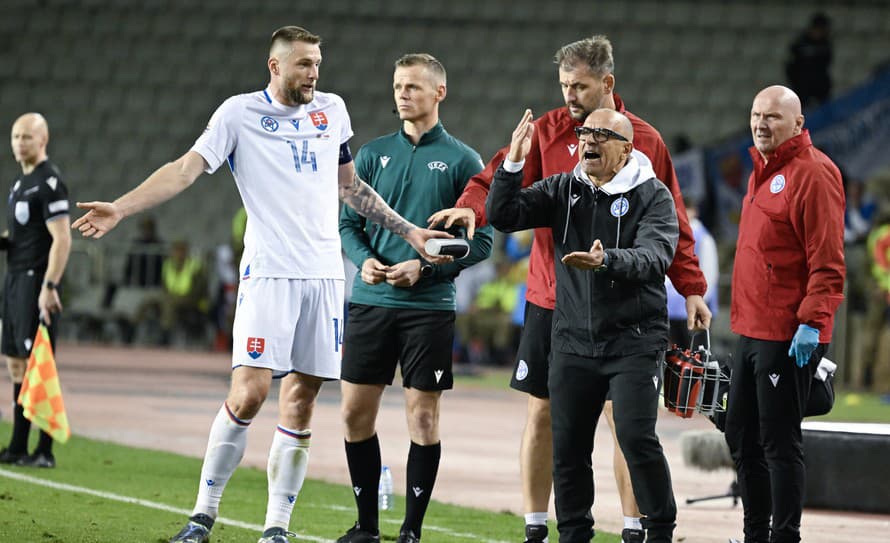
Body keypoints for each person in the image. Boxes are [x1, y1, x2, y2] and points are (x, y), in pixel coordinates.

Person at [71, 26, 450, 543]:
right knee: (249, 393)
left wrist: (409, 231)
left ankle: (276, 527)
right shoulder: (237, 114)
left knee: (301, 401)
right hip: (269, 273)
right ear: (275, 67)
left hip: (322, 276)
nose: (314, 73)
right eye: (303, 65)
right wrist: (122, 205)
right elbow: (185, 169)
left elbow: (349, 188)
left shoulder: (333, 110)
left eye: (317, 63)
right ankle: (203, 514)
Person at [429, 35, 709, 543]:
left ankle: (635, 526)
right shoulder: (547, 132)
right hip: (553, 300)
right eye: (563, 86)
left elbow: (674, 228)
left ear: (608, 83)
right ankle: (540, 524)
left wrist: (690, 287)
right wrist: (472, 204)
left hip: (624, 313)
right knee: (547, 418)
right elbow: (497, 181)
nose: (569, 96)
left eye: (579, 86)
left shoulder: (646, 142)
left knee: (625, 425)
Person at [488, 107, 678, 543]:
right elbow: (504, 215)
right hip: (572, 340)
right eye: (585, 133)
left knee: (635, 437)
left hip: (633, 342)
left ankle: (661, 530)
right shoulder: (563, 188)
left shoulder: (653, 196)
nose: (588, 141)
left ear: (627, 149)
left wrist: (606, 260)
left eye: (601, 135)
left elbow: (655, 257)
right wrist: (512, 163)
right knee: (569, 448)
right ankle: (574, 534)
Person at [336, 53, 493, 543]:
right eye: (398, 86)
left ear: (439, 93)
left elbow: (482, 242)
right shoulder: (370, 154)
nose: (402, 94)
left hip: (427, 309)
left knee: (422, 417)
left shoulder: (463, 161)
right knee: (353, 414)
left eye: (413, 87)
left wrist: (422, 268)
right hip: (370, 300)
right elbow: (347, 224)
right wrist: (362, 259)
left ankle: (410, 531)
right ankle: (366, 528)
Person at [725, 85, 845, 543]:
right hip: (751, 329)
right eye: (756, 115)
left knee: (778, 442)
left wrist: (812, 322)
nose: (760, 124)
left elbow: (828, 261)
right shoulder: (762, 170)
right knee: (740, 436)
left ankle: (784, 537)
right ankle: (756, 534)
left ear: (797, 124)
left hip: (787, 331)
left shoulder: (814, 174)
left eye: (772, 117)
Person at [0, 113, 72, 468]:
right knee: (15, 361)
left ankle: (44, 449)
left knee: (38, 362)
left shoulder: (50, 183)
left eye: (26, 137)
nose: (19, 143)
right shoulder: (19, 183)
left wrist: (49, 286)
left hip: (35, 281)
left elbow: (62, 239)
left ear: (43, 139)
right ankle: (16, 445)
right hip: (13, 279)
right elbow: (23, 237)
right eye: (15, 136)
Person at [666, 198, 718, 348]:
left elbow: (710, 272)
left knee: (695, 355)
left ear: (694, 211)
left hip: (694, 307)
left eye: (686, 209)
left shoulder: (704, 237)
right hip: (671, 308)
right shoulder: (671, 233)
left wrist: (701, 298)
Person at [785, 13, 833, 109]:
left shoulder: (825, 45)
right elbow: (791, 66)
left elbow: (826, 65)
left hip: (820, 88)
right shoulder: (800, 44)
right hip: (801, 88)